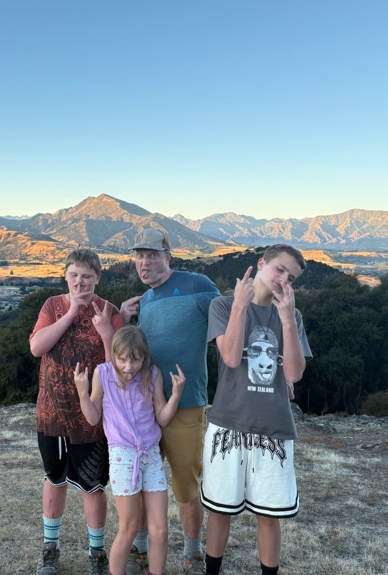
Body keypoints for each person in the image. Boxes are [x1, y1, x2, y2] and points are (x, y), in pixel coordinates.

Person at [201, 244, 312, 575]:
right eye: (280, 269)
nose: (283, 280)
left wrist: (288, 320)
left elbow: (294, 373)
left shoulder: (292, 316)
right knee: (220, 509)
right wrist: (239, 306)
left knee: (269, 514)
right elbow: (231, 357)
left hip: (274, 427)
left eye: (291, 278)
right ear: (261, 264)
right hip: (228, 423)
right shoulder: (223, 305)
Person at [120, 228, 220, 575]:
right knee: (142, 482)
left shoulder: (198, 285)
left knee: (185, 485)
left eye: (152, 255)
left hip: (186, 404)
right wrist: (122, 319)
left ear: (168, 257)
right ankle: (140, 550)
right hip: (144, 407)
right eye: (139, 256)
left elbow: (230, 323)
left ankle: (193, 554)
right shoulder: (145, 302)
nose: (144, 263)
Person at [30, 249, 126, 575]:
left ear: (98, 278)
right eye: (74, 275)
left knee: (93, 486)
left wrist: (107, 333)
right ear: (65, 276)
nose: (79, 281)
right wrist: (71, 312)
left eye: (86, 276)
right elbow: (37, 347)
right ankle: (50, 547)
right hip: (52, 414)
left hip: (92, 417)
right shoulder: (52, 306)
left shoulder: (109, 312)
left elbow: (120, 368)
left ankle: (96, 552)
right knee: (54, 479)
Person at [74, 326, 185, 575]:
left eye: (135, 360)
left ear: (144, 357)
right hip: (123, 457)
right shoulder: (102, 373)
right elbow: (93, 417)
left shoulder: (152, 374)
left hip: (151, 456)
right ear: (114, 355)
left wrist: (176, 395)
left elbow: (162, 417)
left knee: (160, 530)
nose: (128, 367)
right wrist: (82, 393)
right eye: (122, 359)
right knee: (129, 528)